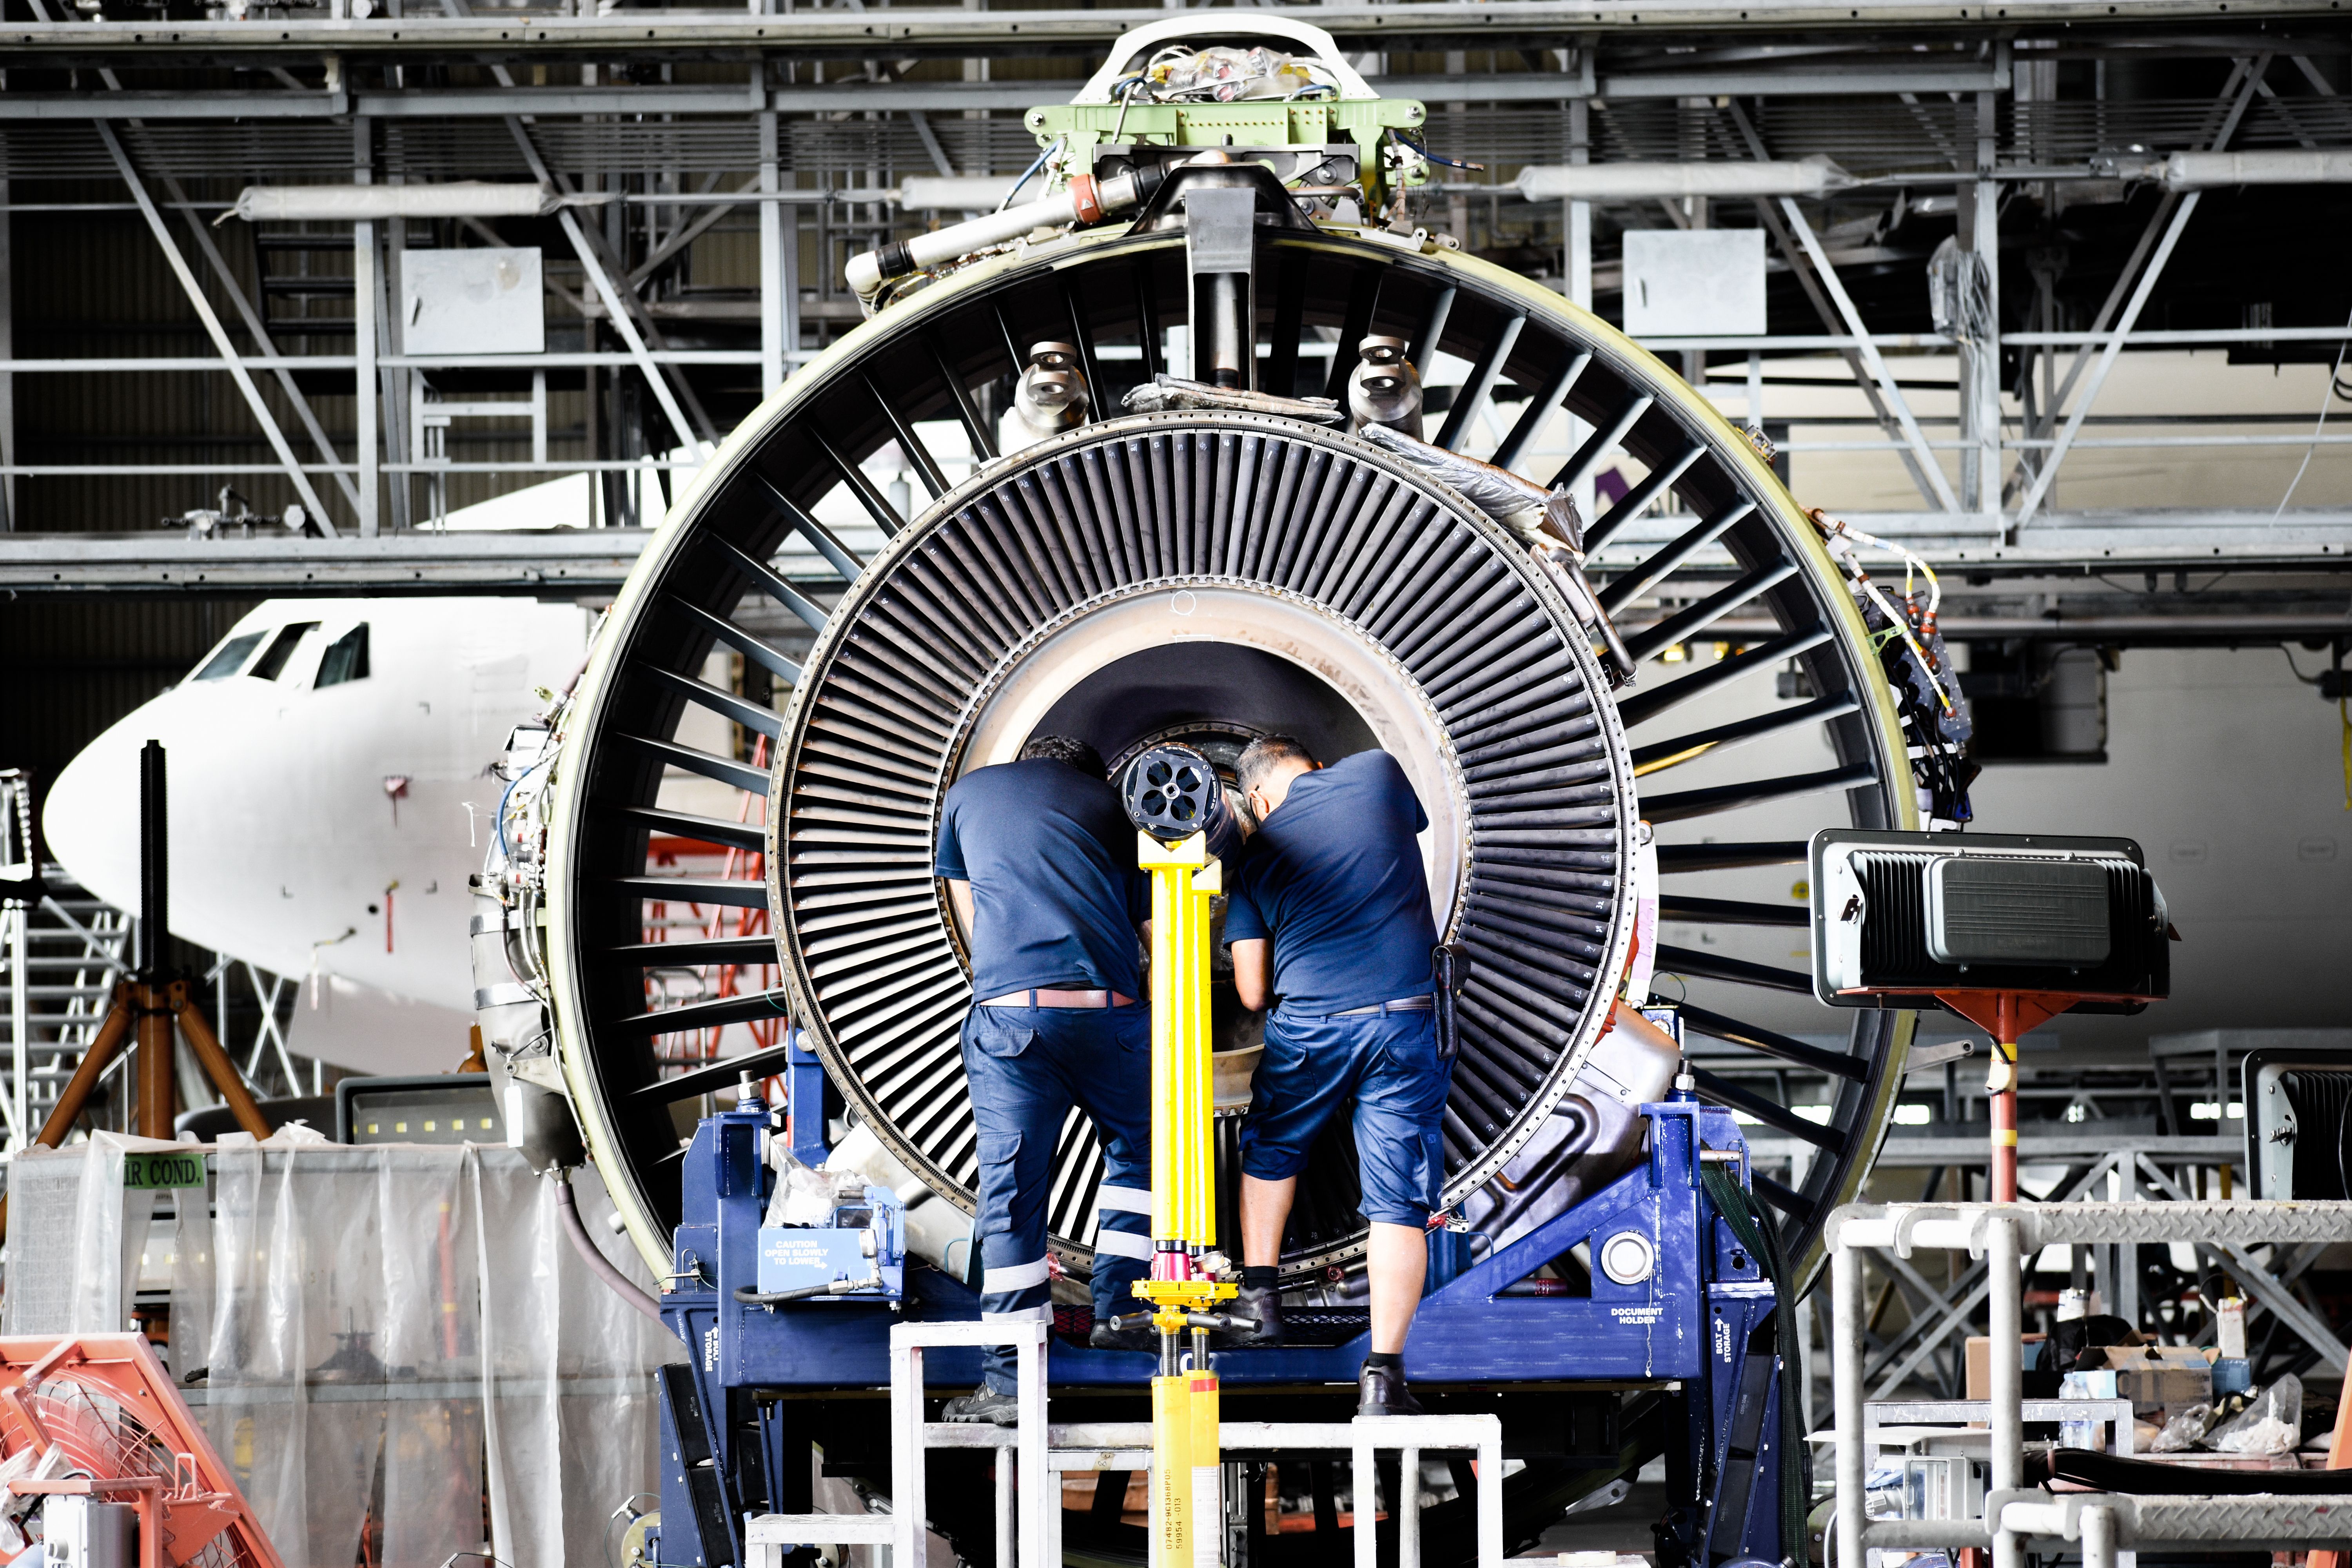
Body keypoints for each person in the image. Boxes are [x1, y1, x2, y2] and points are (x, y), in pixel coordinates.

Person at [933, 734, 1157, 1425]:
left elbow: (968, 905)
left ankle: (1008, 1380)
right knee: (1141, 1156)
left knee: (1012, 1194)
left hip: (1013, 1023)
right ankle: (1120, 1315)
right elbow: (1150, 930)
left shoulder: (967, 796)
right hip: (1109, 1014)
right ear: (1086, 772)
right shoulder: (1115, 809)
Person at [1221, 736, 1447, 1417]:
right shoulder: (1378, 772)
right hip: (1403, 1021)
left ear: (1255, 801)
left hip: (1314, 1025)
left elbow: (1256, 994)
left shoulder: (1255, 859)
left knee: (1273, 1147)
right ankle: (1383, 1378)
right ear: (1314, 766)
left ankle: (1260, 1301)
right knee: (1397, 1203)